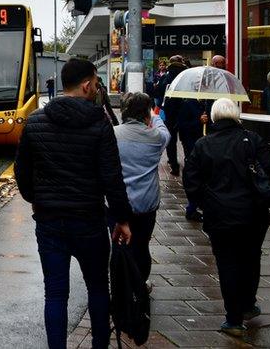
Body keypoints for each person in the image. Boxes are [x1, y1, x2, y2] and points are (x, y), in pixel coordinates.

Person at [16, 58, 133, 349]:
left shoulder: (35, 122)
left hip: (49, 222)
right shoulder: (99, 123)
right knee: (97, 287)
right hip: (89, 221)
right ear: (85, 85)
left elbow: (22, 172)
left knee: (55, 293)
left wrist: (37, 200)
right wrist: (122, 219)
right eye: (95, 83)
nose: (96, 89)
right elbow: (112, 177)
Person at [183, 98, 270, 337]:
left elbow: (191, 182)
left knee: (227, 263)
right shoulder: (252, 139)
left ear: (214, 117)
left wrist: (205, 203)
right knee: (251, 258)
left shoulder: (203, 144)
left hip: (219, 215)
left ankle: (233, 319)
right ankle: (248, 304)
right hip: (253, 214)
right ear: (236, 115)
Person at [113, 92, 170, 287]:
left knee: (118, 246)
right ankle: (140, 285)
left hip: (116, 203)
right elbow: (165, 130)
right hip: (146, 203)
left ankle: (120, 286)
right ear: (146, 114)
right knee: (141, 245)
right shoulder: (157, 137)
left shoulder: (112, 134)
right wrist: (153, 115)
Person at [156, 55, 187, 175]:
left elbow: (158, 92)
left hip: (170, 112)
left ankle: (174, 165)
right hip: (186, 111)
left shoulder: (166, 76)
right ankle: (189, 161)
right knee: (186, 140)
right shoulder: (187, 76)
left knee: (171, 140)